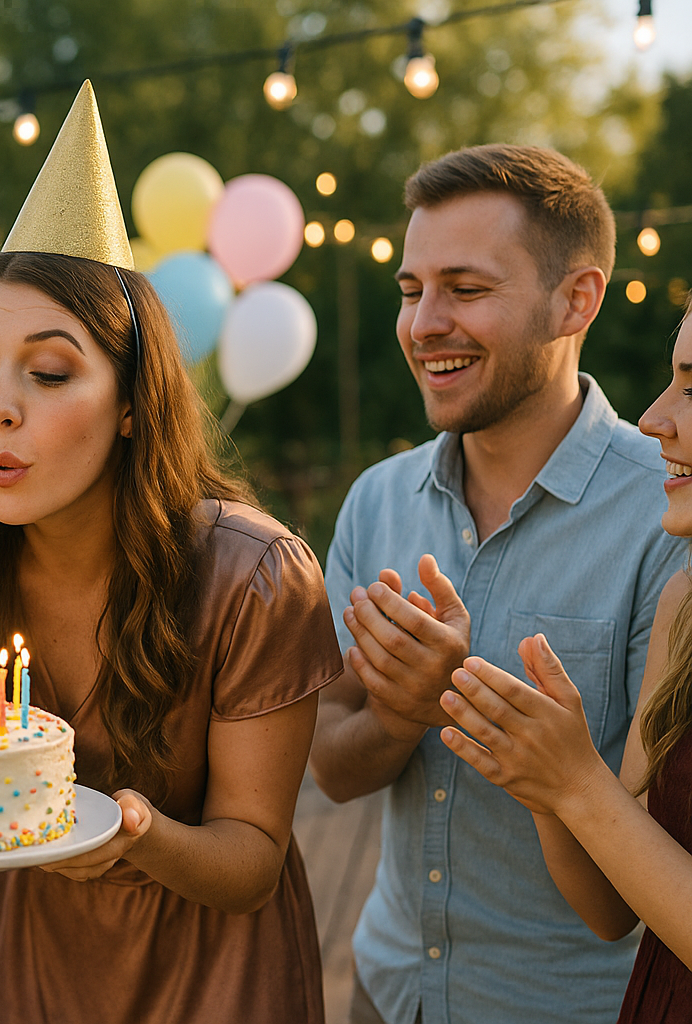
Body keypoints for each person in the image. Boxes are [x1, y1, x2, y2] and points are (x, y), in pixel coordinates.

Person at [0, 82, 344, 1023]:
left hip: (215, 979)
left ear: (130, 404)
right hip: (20, 965)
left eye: (47, 372)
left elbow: (250, 861)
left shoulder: (254, 578)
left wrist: (134, 833)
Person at [309, 143, 683, 1024]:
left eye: (465, 290)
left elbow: (638, 885)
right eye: (410, 290)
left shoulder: (665, 523)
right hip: (386, 991)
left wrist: (551, 766)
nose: (423, 323)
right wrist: (401, 715)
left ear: (575, 300)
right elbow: (330, 766)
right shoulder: (375, 504)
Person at [440, 303, 692, 1024]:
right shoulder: (686, 604)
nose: (654, 419)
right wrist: (544, 783)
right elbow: (616, 910)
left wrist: (579, 784)